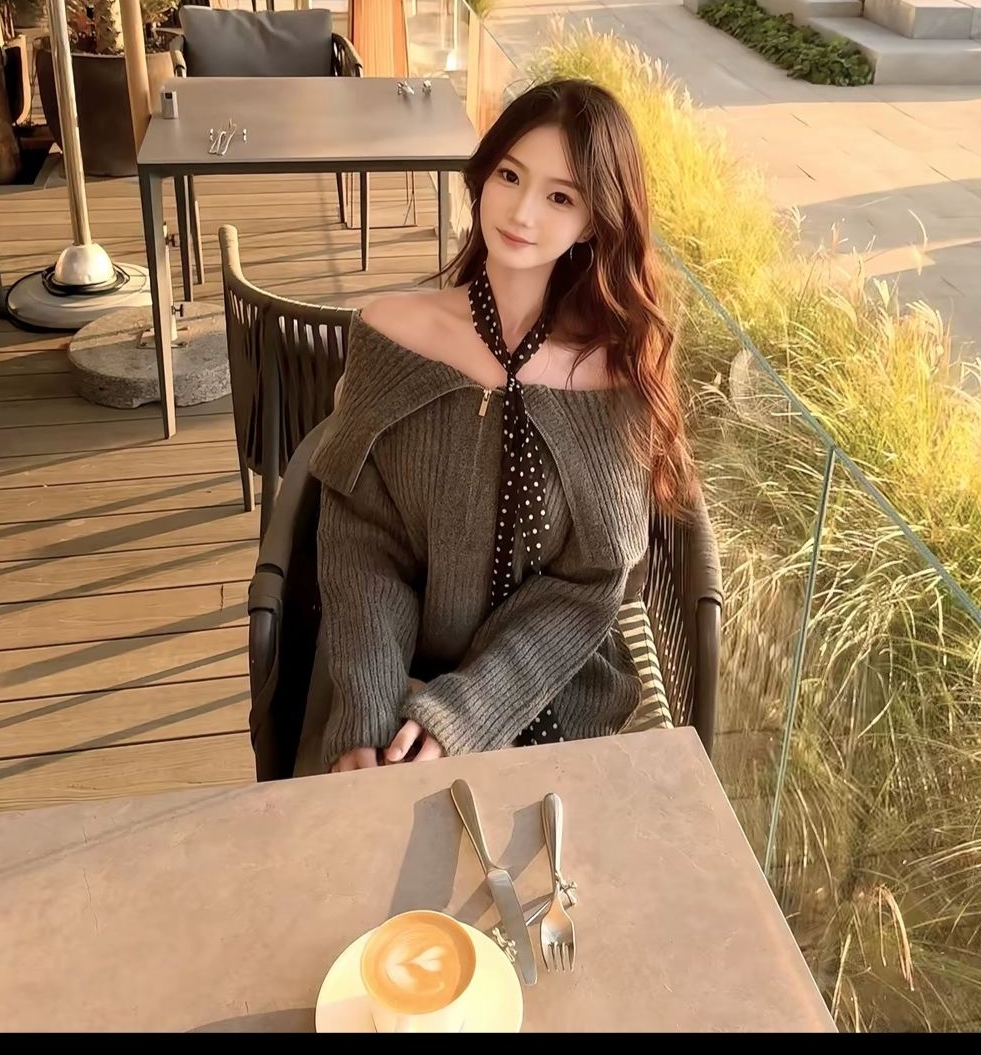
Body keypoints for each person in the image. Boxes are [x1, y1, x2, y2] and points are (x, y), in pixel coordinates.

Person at [296, 80, 720, 775]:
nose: (522, 212)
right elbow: (361, 539)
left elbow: (592, 585)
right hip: (388, 666)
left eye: (561, 197)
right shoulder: (392, 333)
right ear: (482, 174)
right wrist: (367, 716)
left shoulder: (613, 376)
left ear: (594, 221)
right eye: (510, 176)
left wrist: (464, 714)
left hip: (553, 687)